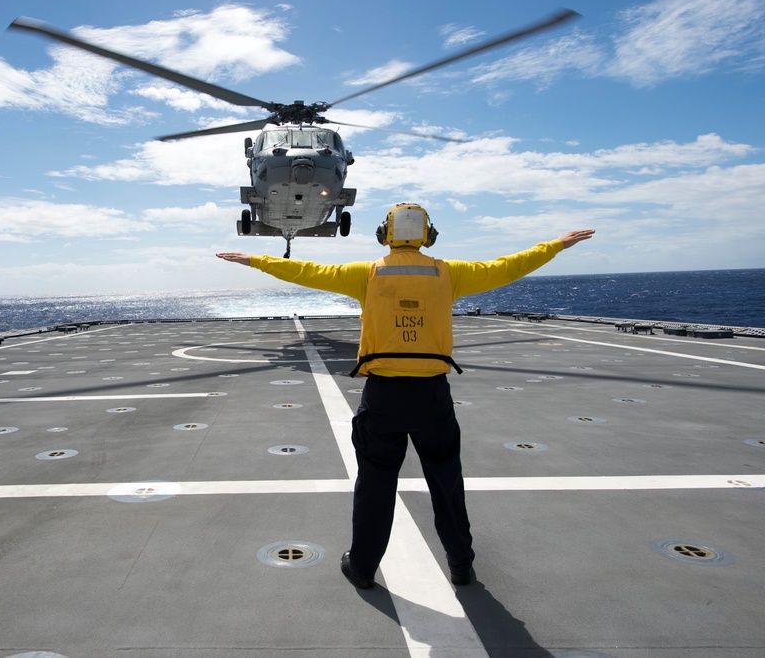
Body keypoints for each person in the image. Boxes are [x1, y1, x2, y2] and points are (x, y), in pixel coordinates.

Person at [217, 203, 594, 589]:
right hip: (433, 396)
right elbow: (507, 266)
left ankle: (362, 567)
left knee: (376, 483)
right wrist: (555, 246)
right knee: (446, 481)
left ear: (386, 234)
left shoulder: (366, 274)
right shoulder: (449, 273)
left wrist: (256, 260)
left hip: (383, 396)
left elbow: (308, 271)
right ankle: (461, 564)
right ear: (428, 236)